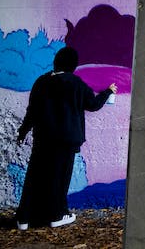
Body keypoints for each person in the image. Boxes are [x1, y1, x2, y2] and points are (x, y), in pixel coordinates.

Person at [15, 46, 116, 231]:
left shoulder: (41, 81)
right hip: (66, 141)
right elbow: (92, 105)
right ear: (73, 65)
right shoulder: (76, 83)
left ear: (56, 62)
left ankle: (24, 218)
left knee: (35, 176)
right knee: (59, 178)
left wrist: (23, 132)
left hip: (43, 139)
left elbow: (32, 111)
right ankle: (57, 215)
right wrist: (107, 92)